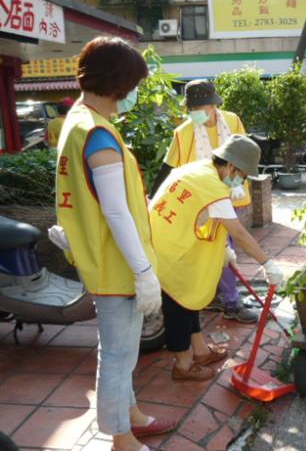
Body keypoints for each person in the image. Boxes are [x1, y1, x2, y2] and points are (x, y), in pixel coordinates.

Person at [54, 37, 176, 451]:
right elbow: (116, 213)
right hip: (117, 264)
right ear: (120, 82)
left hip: (106, 260)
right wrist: (143, 272)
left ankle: (131, 413)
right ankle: (120, 437)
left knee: (121, 351)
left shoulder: (80, 120)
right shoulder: (99, 135)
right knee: (119, 356)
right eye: (135, 82)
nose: (136, 91)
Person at [149, 135, 284, 381]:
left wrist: (222, 248)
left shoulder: (200, 170)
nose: (240, 182)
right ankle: (183, 365)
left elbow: (203, 216)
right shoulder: (213, 184)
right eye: (242, 175)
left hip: (168, 240)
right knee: (179, 304)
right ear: (232, 166)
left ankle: (199, 351)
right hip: (169, 250)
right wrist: (267, 262)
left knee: (189, 299)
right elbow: (239, 233)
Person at [150, 80, 259, 323]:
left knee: (224, 245)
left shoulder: (231, 121)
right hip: (201, 200)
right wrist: (153, 197)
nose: (194, 114)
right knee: (213, 247)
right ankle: (221, 299)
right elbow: (168, 168)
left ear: (213, 105)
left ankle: (225, 299)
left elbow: (244, 153)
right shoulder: (184, 132)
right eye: (191, 109)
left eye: (199, 108)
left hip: (231, 194)